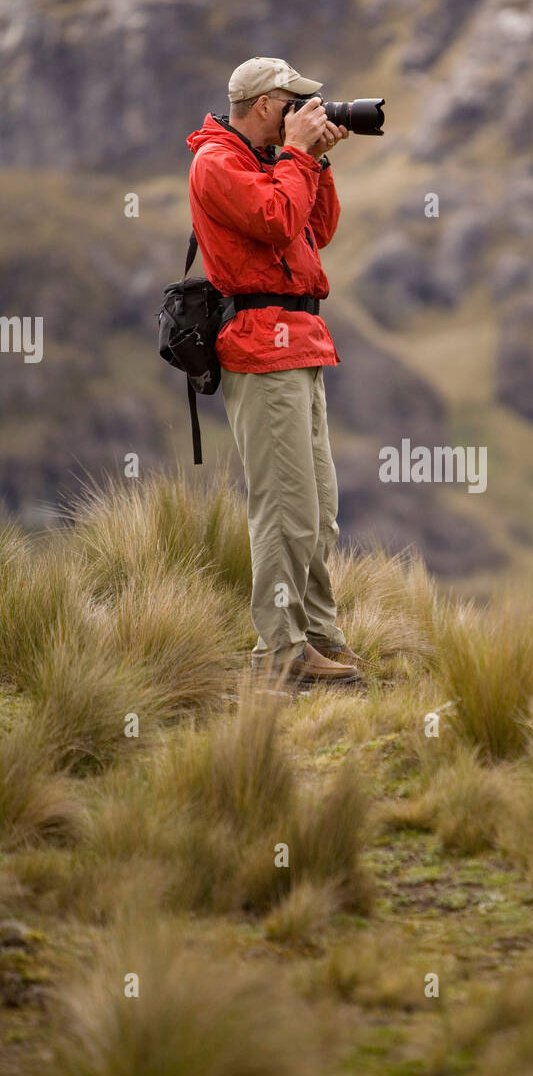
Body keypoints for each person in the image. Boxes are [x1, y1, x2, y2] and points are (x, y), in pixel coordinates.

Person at [186, 56, 369, 687]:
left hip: (301, 344)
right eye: (293, 101)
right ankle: (281, 655)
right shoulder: (217, 164)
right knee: (282, 509)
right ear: (264, 104)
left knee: (318, 509)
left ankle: (320, 637)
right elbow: (275, 220)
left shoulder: (272, 161)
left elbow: (315, 229)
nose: (304, 110)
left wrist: (315, 160)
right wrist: (296, 156)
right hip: (261, 349)